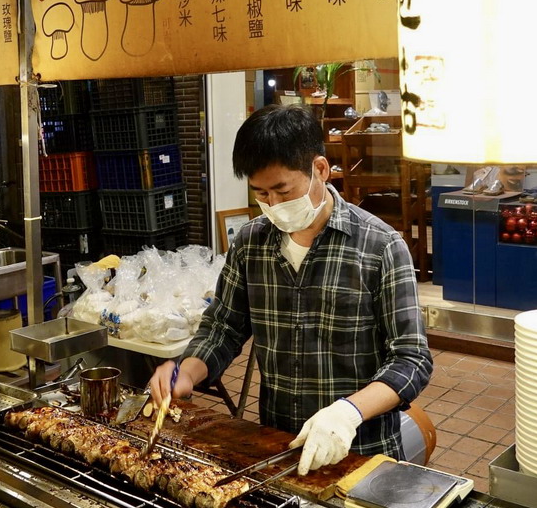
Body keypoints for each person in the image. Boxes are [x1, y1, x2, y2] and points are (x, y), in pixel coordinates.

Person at [148, 105, 433, 476]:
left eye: (283, 190)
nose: (274, 205)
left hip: (363, 450)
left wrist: (349, 412)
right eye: (261, 194)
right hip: (280, 446)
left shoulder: (379, 246)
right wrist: (186, 373)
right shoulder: (251, 244)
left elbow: (411, 358)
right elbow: (223, 328)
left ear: (319, 169)